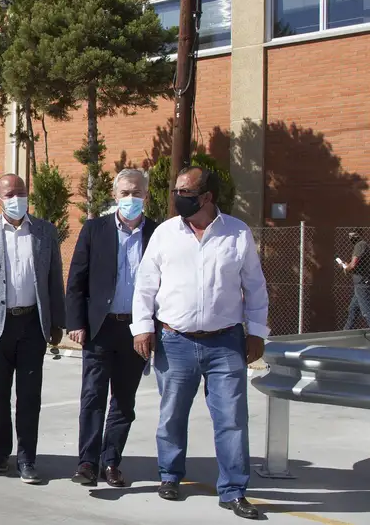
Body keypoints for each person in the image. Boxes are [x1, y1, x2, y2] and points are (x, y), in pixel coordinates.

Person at [131, 166, 268, 520]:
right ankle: (170, 476)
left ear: (206, 196)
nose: (177, 197)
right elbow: (146, 284)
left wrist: (256, 332)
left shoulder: (236, 233)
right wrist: (142, 328)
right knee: (172, 415)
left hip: (226, 343)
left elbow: (255, 286)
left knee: (232, 420)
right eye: (177, 190)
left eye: (185, 192)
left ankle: (234, 490)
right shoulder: (165, 234)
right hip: (174, 341)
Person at [0, 173, 65, 484]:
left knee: (29, 396)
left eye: (21, 192)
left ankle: (27, 459)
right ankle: (0, 453)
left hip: (32, 325)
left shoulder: (45, 232)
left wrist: (57, 322)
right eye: (9, 194)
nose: (16, 198)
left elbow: (54, 280)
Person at [66, 169, 158, 488]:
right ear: (115, 196)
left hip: (137, 331)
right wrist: (76, 322)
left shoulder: (158, 234)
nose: (130, 198)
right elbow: (76, 280)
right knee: (92, 396)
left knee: (123, 402)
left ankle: (111, 463)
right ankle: (87, 463)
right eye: (124, 193)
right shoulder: (95, 230)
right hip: (100, 329)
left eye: (136, 192)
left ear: (145, 194)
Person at [342, 231, 369, 329]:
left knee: (366, 311)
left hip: (362, 283)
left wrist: (346, 268)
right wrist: (347, 266)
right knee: (353, 309)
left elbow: (353, 265)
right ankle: (346, 334)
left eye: (352, 235)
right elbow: (354, 265)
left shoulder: (360, 245)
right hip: (360, 282)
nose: (351, 238)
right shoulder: (361, 245)